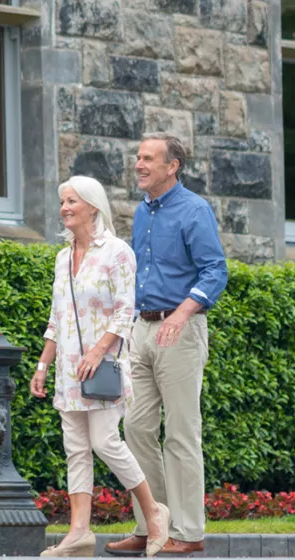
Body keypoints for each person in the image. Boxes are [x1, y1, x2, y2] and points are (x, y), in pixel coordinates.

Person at [32, 176, 171, 558]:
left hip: (103, 366)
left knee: (106, 442)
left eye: (71, 201)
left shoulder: (116, 252)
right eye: (62, 201)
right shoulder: (63, 257)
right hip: (68, 371)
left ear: (93, 206)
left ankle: (154, 513)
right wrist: (43, 364)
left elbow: (127, 311)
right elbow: (56, 318)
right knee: (75, 448)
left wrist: (98, 352)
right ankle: (79, 532)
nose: (64, 208)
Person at [106, 134, 228, 557]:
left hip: (181, 329)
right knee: (136, 428)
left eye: (148, 158)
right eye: (137, 156)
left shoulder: (194, 210)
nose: (138, 164)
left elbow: (215, 270)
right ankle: (153, 523)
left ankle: (189, 532)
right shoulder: (143, 212)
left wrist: (179, 315)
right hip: (142, 330)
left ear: (172, 166)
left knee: (181, 433)